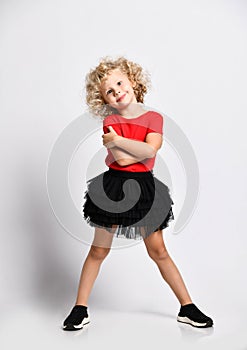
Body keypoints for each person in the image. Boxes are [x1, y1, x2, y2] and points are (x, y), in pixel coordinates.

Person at [62, 56, 214, 331]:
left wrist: (119, 141)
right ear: (105, 100)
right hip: (113, 188)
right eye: (110, 91)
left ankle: (187, 307)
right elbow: (121, 161)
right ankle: (79, 308)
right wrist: (132, 147)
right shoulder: (111, 119)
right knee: (98, 250)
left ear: (132, 81)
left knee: (159, 251)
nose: (117, 91)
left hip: (146, 189)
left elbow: (150, 151)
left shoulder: (153, 118)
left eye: (120, 83)